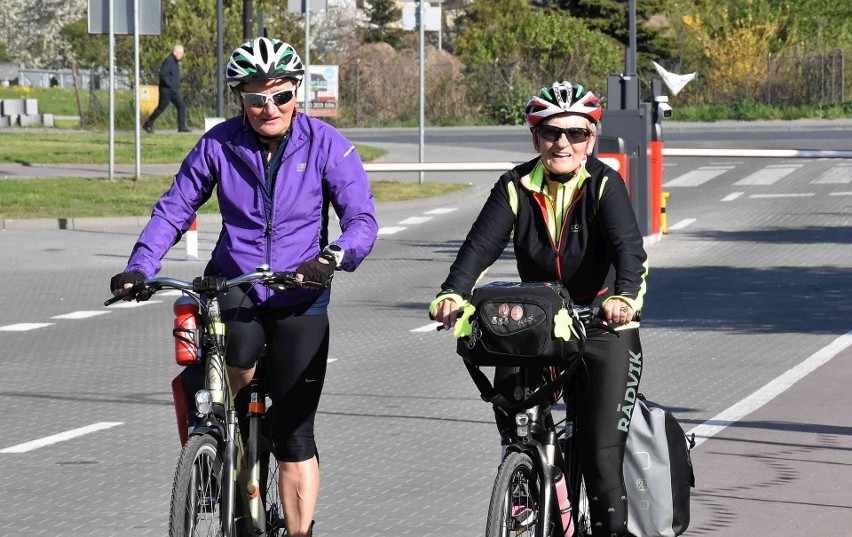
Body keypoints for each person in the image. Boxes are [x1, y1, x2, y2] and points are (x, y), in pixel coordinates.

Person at [111, 36, 379, 537]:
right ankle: (223, 441)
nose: (268, 108)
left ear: (296, 93)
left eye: (279, 96)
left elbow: (362, 219)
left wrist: (331, 257)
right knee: (226, 361)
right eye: (256, 98)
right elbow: (175, 207)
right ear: (240, 100)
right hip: (237, 280)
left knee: (295, 433)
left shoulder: (327, 145)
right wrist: (140, 266)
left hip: (302, 292)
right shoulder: (219, 144)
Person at [429, 81, 648, 537]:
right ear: (535, 138)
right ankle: (526, 484)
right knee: (516, 424)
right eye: (550, 132)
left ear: (591, 138)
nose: (562, 143)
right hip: (538, 325)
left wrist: (624, 298)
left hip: (599, 323)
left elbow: (630, 251)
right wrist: (453, 292)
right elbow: (478, 248)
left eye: (575, 133)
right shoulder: (514, 186)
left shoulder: (605, 184)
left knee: (602, 456)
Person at [143, 44, 189, 133]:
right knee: (161, 108)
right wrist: (170, 84)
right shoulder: (169, 61)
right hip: (166, 90)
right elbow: (163, 74)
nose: (181, 55)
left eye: (182, 53)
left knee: (181, 105)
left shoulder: (175, 62)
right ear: (175, 52)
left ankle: (181, 126)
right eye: (180, 53)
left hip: (174, 90)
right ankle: (147, 124)